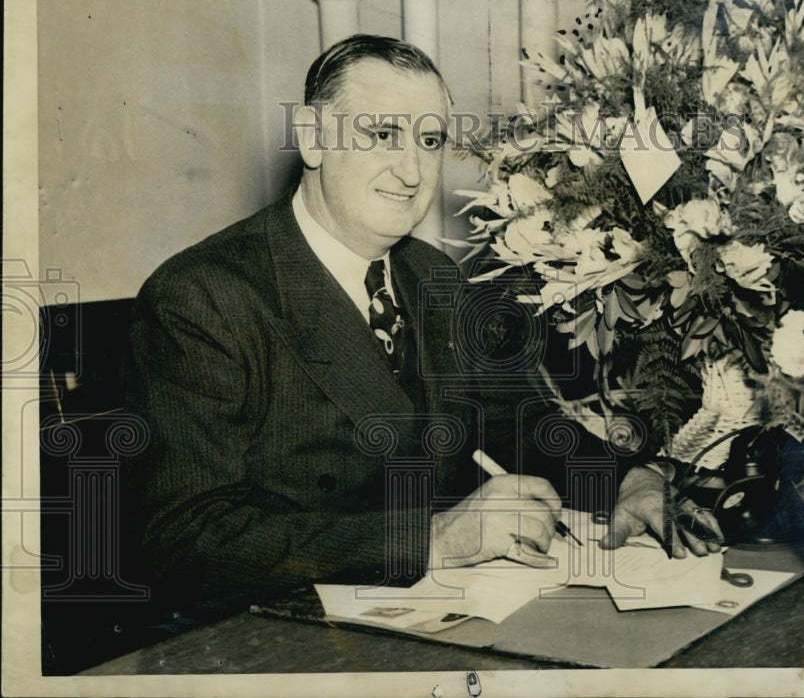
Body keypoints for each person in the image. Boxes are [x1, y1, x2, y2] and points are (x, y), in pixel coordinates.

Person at [125, 34, 719, 608]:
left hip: (443, 611)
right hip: (276, 628)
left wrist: (626, 481)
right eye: (383, 134)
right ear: (312, 138)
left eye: (430, 140)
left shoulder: (430, 273)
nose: (411, 171)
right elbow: (185, 540)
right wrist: (434, 540)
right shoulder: (202, 296)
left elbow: (516, 422)